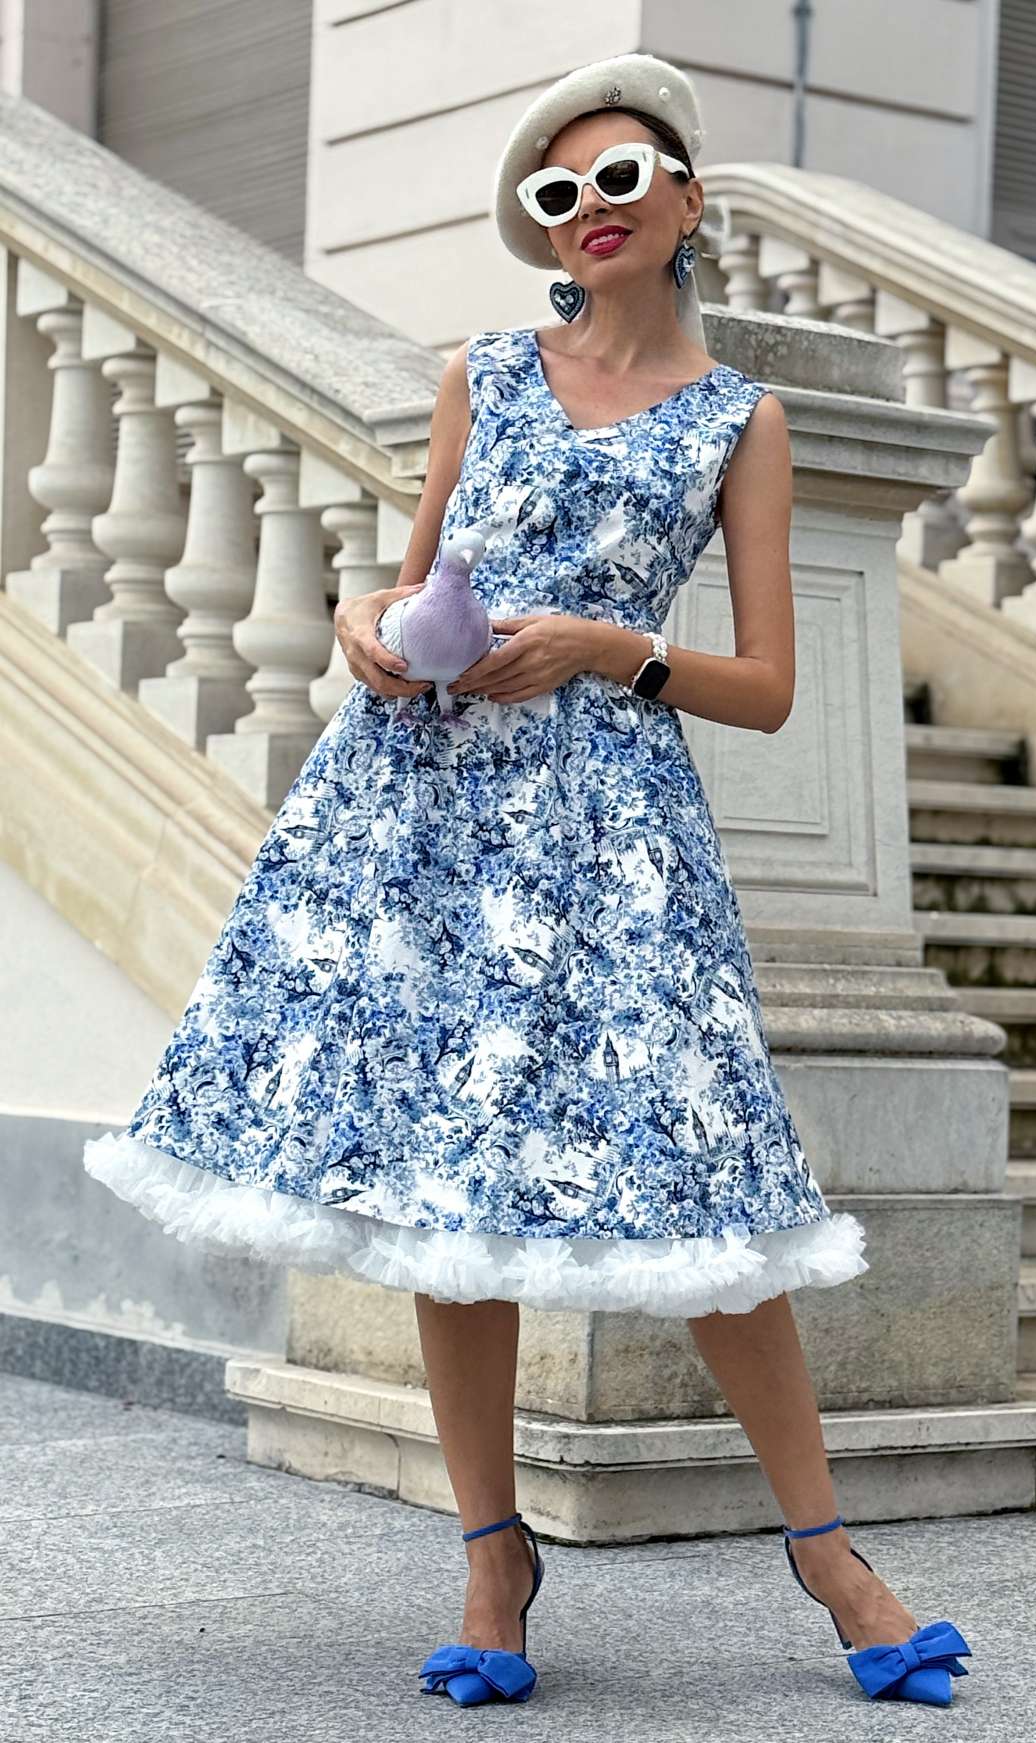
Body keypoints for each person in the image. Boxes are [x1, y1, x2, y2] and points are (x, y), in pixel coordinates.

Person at [82, 50, 971, 1712]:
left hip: (611, 823)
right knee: (447, 1193)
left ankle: (830, 1555)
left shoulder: (739, 418)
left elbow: (767, 683)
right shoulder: (481, 374)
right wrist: (367, 629)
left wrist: (603, 649)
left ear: (687, 199)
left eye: (621, 180)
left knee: (708, 1177)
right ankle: (494, 1556)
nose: (591, 213)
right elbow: (417, 585)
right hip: (423, 802)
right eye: (559, 198)